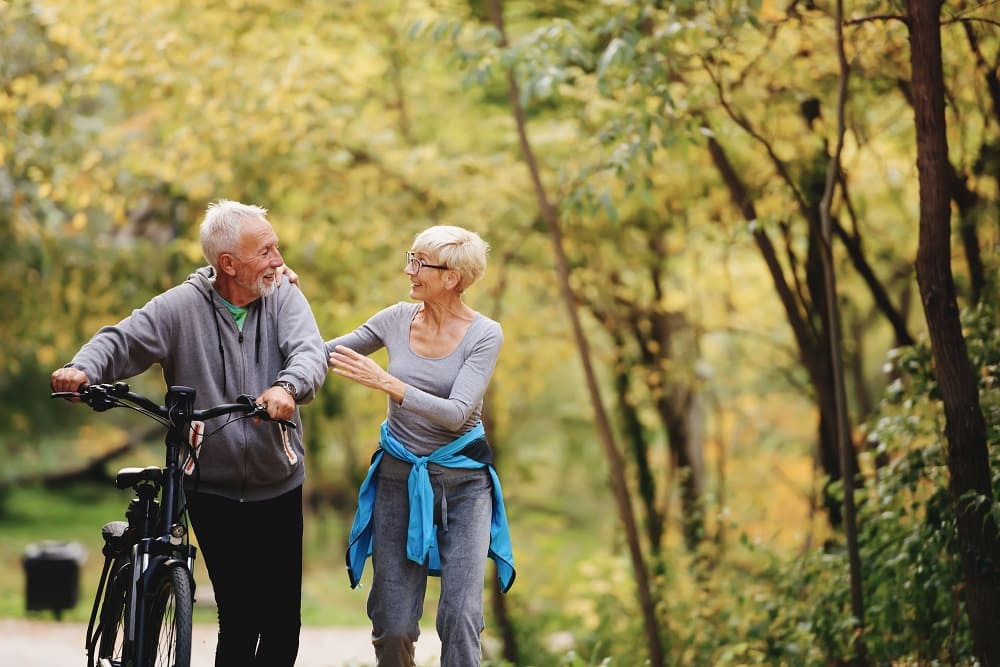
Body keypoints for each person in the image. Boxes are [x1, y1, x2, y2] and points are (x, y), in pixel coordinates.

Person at [50, 199, 328, 667]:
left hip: (277, 481)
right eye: (266, 251)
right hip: (211, 486)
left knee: (282, 628)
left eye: (276, 247)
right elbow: (123, 340)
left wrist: (287, 386)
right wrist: (82, 368)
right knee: (240, 617)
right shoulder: (181, 307)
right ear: (229, 264)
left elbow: (309, 352)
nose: (279, 260)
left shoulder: (283, 294)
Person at [325, 225, 515, 667]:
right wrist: (281, 306)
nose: (408, 270)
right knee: (392, 624)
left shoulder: (485, 334)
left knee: (460, 617)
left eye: (418, 263)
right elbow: (325, 353)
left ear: (452, 277)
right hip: (398, 479)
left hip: (465, 486)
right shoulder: (395, 318)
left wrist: (388, 383)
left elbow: (457, 412)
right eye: (410, 258)